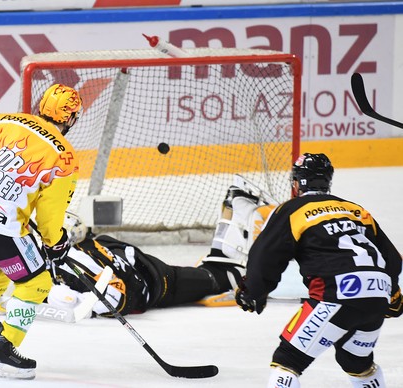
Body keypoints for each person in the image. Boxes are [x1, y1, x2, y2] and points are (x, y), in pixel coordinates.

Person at [0, 84, 82, 380]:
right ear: (70, 118)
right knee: (37, 283)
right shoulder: (65, 156)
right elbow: (50, 213)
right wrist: (55, 241)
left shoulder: (7, 120)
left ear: (40, 107)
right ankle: (5, 352)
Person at [235, 153, 403, 388]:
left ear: (296, 183)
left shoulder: (292, 210)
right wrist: (393, 295)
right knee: (356, 362)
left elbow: (266, 255)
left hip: (336, 294)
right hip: (377, 294)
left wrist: (253, 291)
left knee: (287, 360)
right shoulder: (355, 210)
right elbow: (392, 259)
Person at [46, 183, 273, 316]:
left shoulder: (81, 257)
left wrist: (78, 301)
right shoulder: (77, 251)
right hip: (149, 272)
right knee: (205, 274)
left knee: (220, 278)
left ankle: (238, 241)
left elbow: (123, 297)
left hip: (160, 281)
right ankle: (233, 218)